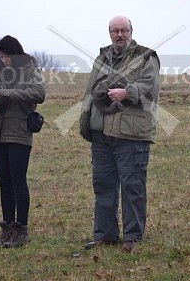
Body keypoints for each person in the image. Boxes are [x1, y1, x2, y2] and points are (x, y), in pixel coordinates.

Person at [80, 16, 161, 253]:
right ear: (109, 33)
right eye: (115, 31)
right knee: (103, 185)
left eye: (124, 30)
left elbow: (151, 87)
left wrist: (128, 92)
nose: (119, 35)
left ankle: (133, 237)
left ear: (131, 31)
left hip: (131, 135)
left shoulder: (146, 57)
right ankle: (105, 235)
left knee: (132, 187)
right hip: (101, 134)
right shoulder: (101, 58)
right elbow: (91, 91)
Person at [0, 35, 45, 248]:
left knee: (18, 180)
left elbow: (39, 93)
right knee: (4, 182)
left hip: (19, 133)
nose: (4, 60)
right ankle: (7, 228)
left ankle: (22, 229)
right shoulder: (0, 73)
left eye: (7, 55)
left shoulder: (29, 69)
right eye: (1, 57)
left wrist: (6, 93)